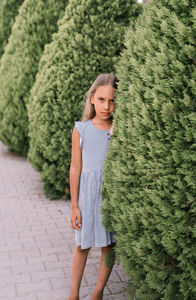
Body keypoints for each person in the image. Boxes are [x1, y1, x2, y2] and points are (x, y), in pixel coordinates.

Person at [67, 74, 118, 300]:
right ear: (92, 99)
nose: (106, 106)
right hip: (87, 197)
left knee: (108, 245)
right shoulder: (81, 129)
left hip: (110, 196)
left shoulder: (117, 130)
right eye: (102, 99)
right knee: (82, 246)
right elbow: (76, 168)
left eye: (112, 100)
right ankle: (74, 293)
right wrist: (74, 207)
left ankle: (97, 292)